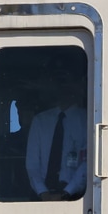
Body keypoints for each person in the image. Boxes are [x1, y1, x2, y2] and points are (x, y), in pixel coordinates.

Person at [25, 68, 87, 201]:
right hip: (41, 195)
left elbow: (88, 162)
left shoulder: (87, 119)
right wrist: (43, 192)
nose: (63, 87)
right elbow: (32, 164)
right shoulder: (40, 121)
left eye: (66, 81)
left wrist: (67, 192)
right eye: (58, 82)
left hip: (77, 197)